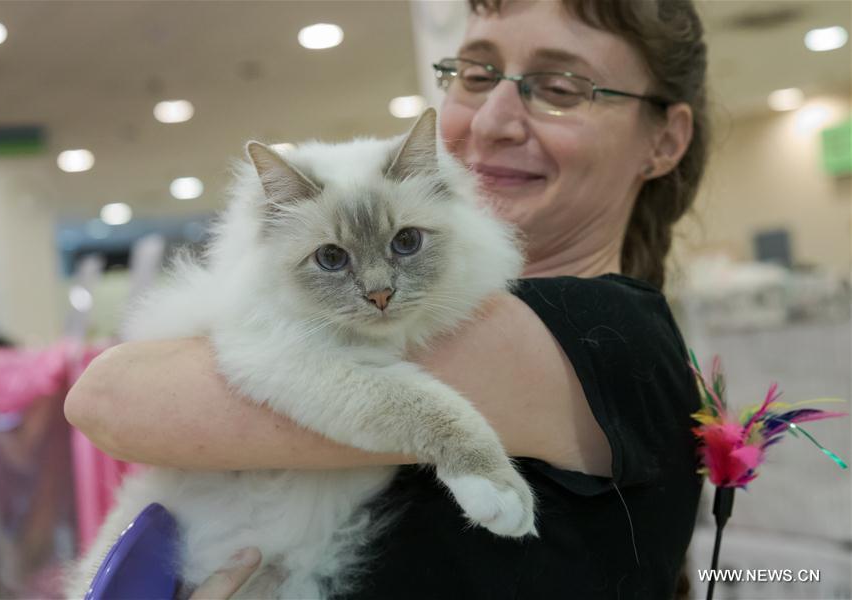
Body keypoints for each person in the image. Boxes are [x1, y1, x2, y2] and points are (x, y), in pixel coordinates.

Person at [65, 0, 709, 597]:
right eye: (477, 75)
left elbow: (116, 399)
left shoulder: (606, 331)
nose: (493, 119)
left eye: (562, 88)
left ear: (665, 140)